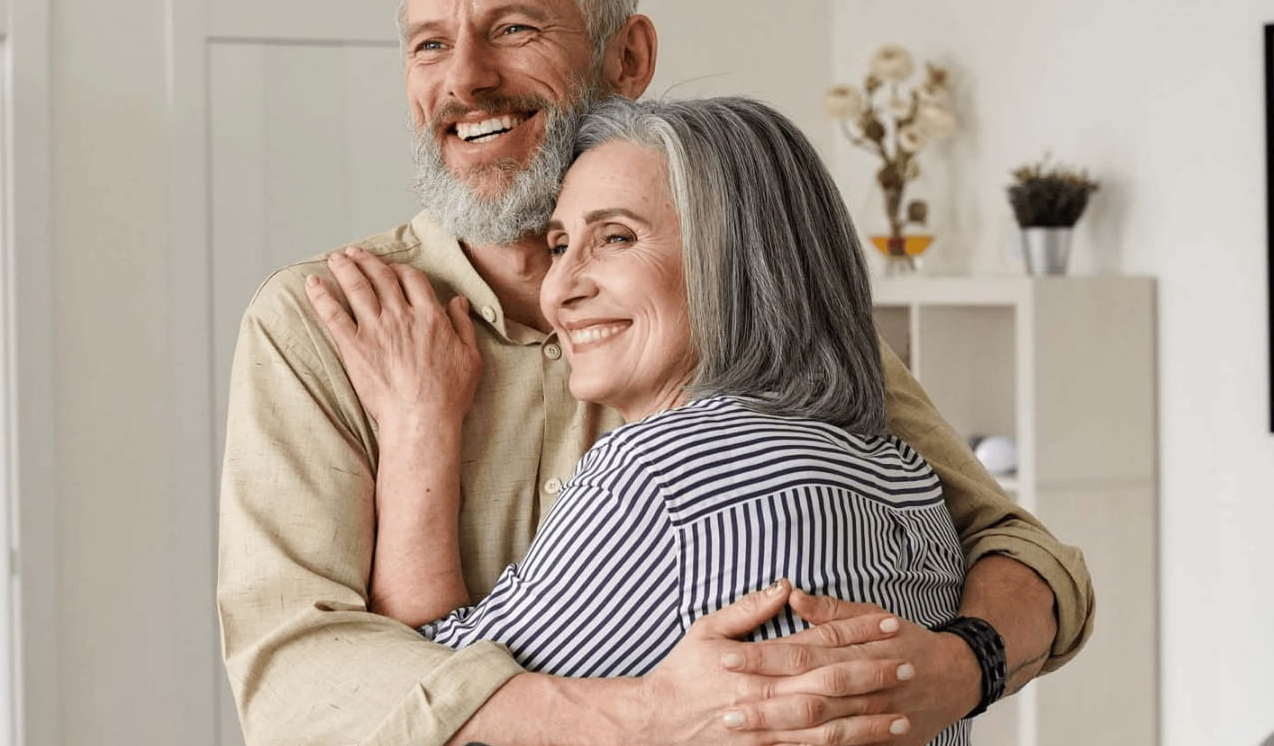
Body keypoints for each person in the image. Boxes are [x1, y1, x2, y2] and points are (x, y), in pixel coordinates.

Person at [216, 0, 1095, 744]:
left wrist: (959, 666)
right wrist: (642, 718)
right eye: (430, 44)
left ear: (627, 54)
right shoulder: (318, 324)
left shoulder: (760, 331)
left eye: (515, 28)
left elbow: (1018, 550)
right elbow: (294, 684)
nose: (464, 78)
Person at [312, 95, 978, 746]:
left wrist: (416, 422)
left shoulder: (663, 473)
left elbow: (434, 704)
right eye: (560, 243)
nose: (561, 289)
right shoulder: (906, 476)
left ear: (734, 258)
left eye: (616, 237)